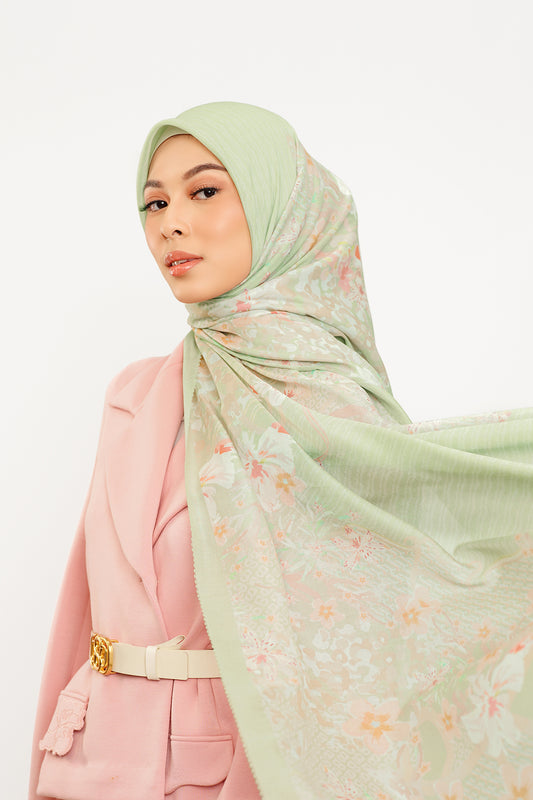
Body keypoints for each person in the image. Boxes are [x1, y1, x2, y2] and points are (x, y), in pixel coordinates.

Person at [29, 101, 533, 800]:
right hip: (88, 763)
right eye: (155, 202)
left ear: (282, 214)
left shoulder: (326, 404)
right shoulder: (132, 394)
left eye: (205, 190)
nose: (170, 222)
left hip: (224, 774)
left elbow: (368, 631)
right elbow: (82, 610)